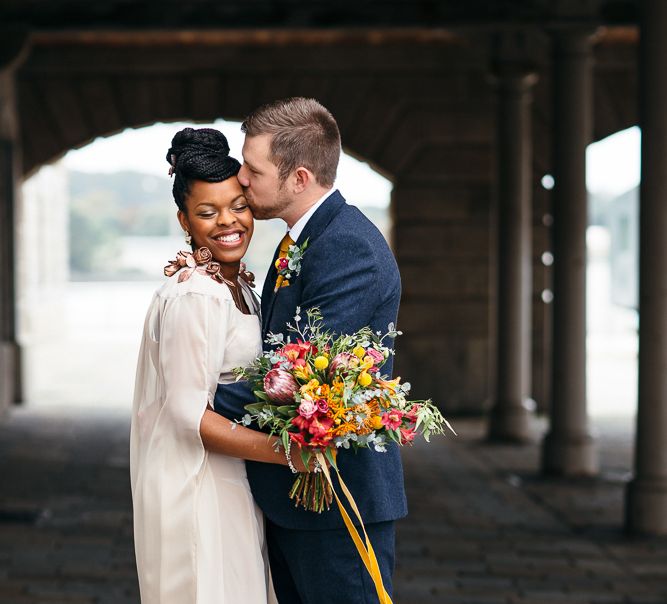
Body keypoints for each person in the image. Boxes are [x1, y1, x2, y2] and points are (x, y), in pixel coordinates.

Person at [215, 97, 407, 604]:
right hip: (296, 500)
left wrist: (200, 401)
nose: (241, 178)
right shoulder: (302, 238)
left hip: (339, 499)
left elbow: (299, 380)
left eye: (252, 168)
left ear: (299, 178)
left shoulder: (348, 246)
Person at [130, 127, 304, 604]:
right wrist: (293, 453)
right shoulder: (195, 295)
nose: (229, 222)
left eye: (238, 206)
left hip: (234, 482)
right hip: (199, 488)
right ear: (184, 220)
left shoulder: (239, 287)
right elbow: (189, 417)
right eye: (208, 212)